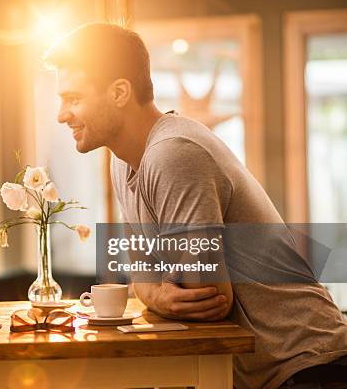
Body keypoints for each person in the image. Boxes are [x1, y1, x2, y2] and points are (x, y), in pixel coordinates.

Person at [44, 23, 347, 389]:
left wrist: (152, 288)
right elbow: (141, 275)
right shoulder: (122, 161)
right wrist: (154, 290)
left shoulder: (173, 154)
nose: (62, 114)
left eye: (73, 98)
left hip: (308, 367)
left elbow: (207, 298)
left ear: (120, 92)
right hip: (261, 372)